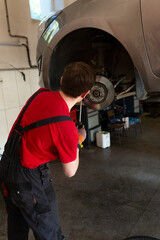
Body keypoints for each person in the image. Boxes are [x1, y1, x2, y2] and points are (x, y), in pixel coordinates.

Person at [0, 62, 96, 240]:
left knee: (17, 225)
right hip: (27, 179)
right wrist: (78, 140)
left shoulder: (40, 94)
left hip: (6, 166)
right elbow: (70, 171)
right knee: (48, 231)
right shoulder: (66, 127)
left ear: (61, 80)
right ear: (85, 94)